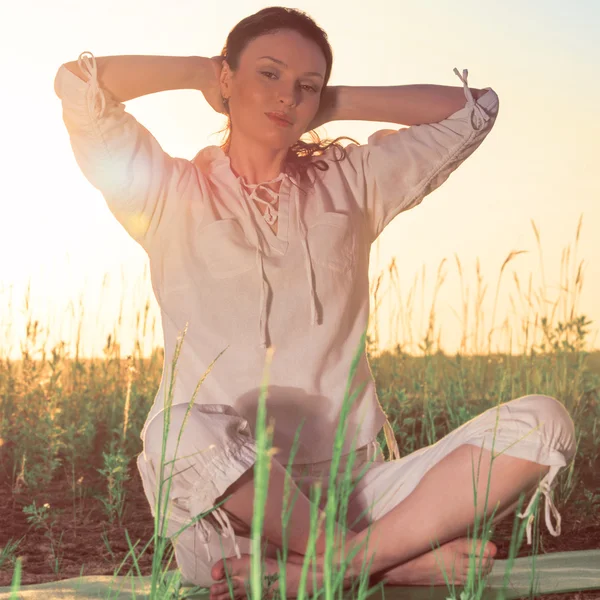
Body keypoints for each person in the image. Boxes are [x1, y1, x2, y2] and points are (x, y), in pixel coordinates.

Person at [54, 6, 576, 599]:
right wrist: (204, 70)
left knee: (545, 423)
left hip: (354, 489)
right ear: (228, 79)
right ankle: (382, 560)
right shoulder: (168, 191)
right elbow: (78, 83)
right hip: (233, 511)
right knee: (176, 431)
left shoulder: (351, 181)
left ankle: (340, 565)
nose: (286, 97)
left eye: (307, 85)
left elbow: (473, 108)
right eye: (268, 75)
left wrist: (326, 102)